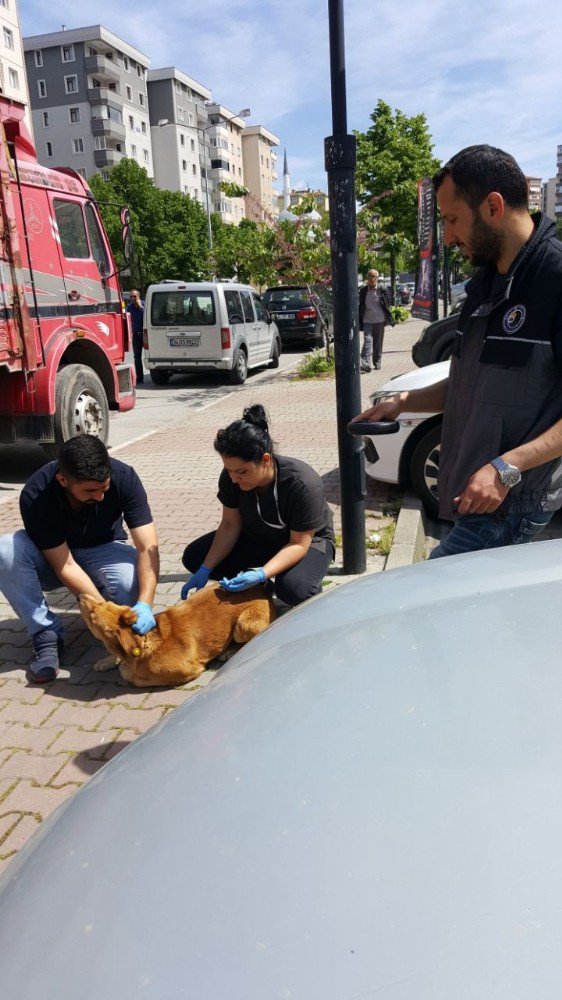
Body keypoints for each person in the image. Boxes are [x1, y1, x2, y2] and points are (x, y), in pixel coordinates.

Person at [354, 144, 562, 558]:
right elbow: (470, 384)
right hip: (475, 495)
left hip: (513, 502)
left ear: (493, 206)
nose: (447, 237)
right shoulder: (487, 282)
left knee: (426, 603)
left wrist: (508, 468)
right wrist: (404, 401)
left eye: (452, 220)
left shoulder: (555, 277)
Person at [0, 435, 159, 682]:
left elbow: (147, 546)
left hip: (104, 547)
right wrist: (103, 613)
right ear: (63, 480)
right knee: (6, 550)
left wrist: (146, 603)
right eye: (90, 491)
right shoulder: (36, 493)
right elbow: (65, 565)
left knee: (131, 586)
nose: (100, 497)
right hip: (54, 557)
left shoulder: (124, 476)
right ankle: (45, 634)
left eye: (104, 487)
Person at [181, 405, 335, 606]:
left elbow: (298, 543)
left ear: (265, 460)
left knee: (293, 589)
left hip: (309, 542)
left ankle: (290, 580)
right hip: (262, 536)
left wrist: (262, 573)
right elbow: (229, 525)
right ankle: (259, 587)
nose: (234, 478)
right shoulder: (232, 477)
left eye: (242, 472)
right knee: (196, 557)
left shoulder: (302, 484)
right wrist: (205, 569)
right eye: (229, 470)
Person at [358, 269, 395, 373]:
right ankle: (366, 363)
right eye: (369, 276)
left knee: (377, 342)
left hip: (380, 319)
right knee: (367, 340)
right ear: (367, 278)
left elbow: (388, 303)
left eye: (374, 276)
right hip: (367, 319)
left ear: (377, 278)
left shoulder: (382, 289)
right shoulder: (363, 290)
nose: (371, 278)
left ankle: (377, 362)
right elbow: (361, 305)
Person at [127, 289, 145, 385]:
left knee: (150, 355)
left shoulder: (144, 304)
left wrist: (141, 307)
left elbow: (147, 316)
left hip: (146, 334)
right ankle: (140, 378)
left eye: (134, 296)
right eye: (131, 297)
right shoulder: (129, 307)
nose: (132, 298)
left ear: (138, 296)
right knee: (137, 357)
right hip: (136, 335)